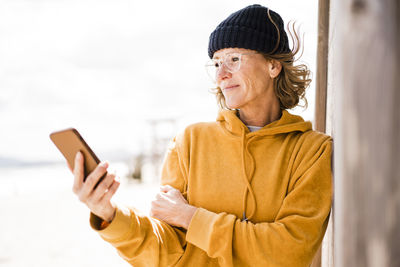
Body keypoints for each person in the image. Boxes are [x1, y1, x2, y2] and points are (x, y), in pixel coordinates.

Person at [70, 4, 333, 267]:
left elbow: (288, 252)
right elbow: (165, 251)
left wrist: (191, 217)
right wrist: (109, 214)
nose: (221, 74)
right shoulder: (190, 142)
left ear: (273, 65)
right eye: (217, 63)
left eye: (234, 59)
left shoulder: (312, 151)